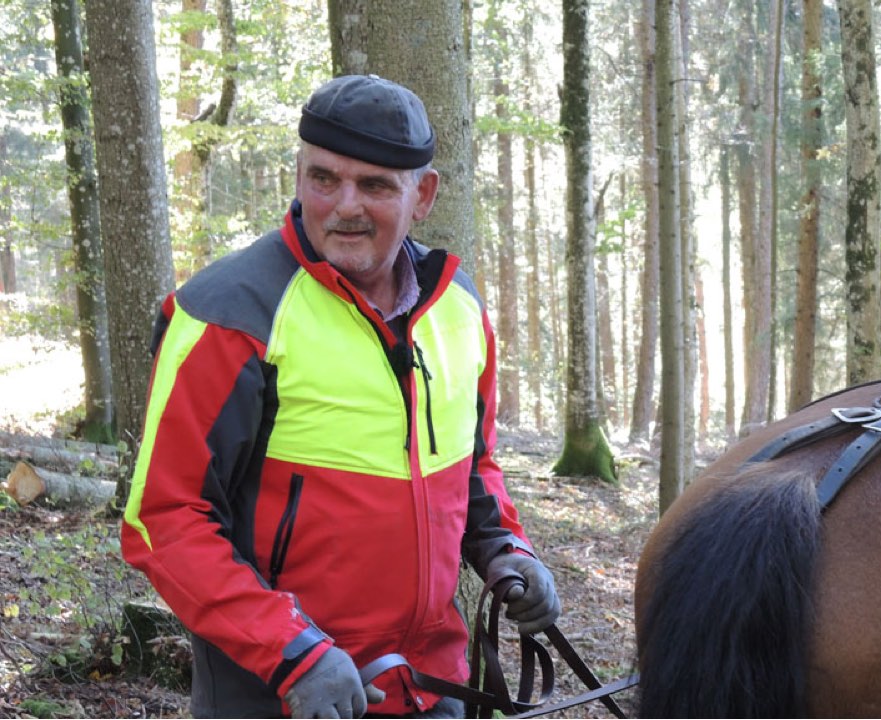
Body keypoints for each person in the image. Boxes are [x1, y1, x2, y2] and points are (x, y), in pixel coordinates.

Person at [121, 74, 561, 719]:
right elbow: (164, 519)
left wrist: (505, 549)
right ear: (298, 173)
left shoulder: (459, 309)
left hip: (436, 687)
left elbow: (471, 469)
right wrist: (289, 650)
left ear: (423, 195)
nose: (342, 206)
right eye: (323, 178)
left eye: (375, 185)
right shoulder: (227, 316)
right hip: (282, 693)